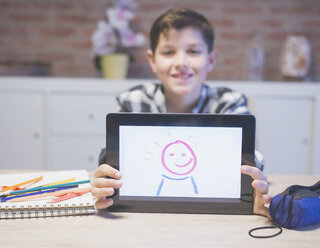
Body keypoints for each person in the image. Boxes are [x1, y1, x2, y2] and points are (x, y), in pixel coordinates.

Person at [92, 8, 272, 218]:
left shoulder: (229, 102)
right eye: (169, 52)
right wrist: (105, 177)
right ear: (152, 60)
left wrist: (254, 174)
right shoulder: (133, 101)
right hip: (147, 214)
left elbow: (252, 159)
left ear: (211, 60)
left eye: (193, 51)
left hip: (213, 215)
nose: (181, 63)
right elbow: (112, 157)